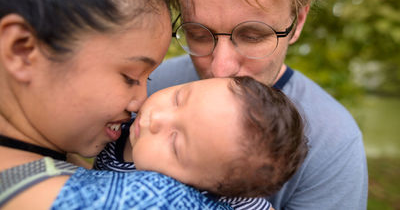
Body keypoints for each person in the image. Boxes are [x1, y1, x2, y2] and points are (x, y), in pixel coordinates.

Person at [0, 0, 230, 209]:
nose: (140, 102)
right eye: (130, 77)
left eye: (148, 79)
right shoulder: (150, 200)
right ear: (22, 50)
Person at [149, 0, 368, 209]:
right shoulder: (148, 86)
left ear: (297, 22)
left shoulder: (333, 146)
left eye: (252, 36)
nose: (221, 70)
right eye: (198, 34)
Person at [96, 76, 309, 209]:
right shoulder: (121, 123)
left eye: (175, 142)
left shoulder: (216, 198)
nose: (156, 119)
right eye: (177, 99)